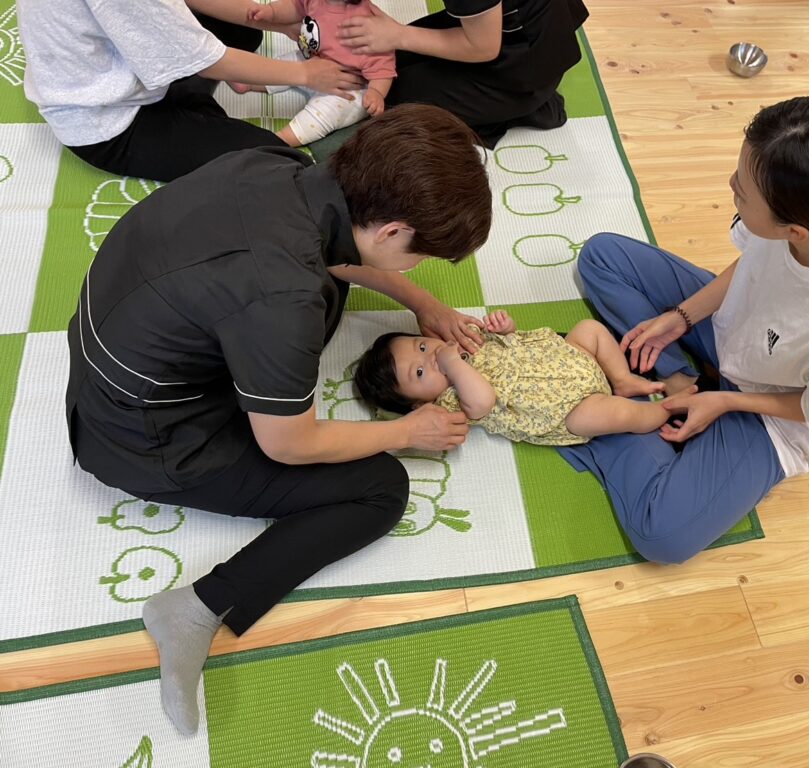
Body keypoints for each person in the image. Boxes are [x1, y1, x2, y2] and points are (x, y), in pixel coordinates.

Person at [64, 105, 491, 735]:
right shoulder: (284, 296)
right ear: (395, 230)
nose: (416, 268)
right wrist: (406, 432)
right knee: (380, 488)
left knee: (327, 290)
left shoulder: (273, 164)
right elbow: (291, 445)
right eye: (420, 257)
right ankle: (195, 608)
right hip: (142, 439)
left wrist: (422, 302)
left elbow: (336, 254)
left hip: (114, 352)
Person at [558, 95, 809, 565]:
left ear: (795, 231)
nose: (732, 184)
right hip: (733, 329)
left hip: (765, 411)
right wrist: (682, 316)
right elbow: (753, 263)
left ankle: (625, 412)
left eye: (742, 191)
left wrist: (727, 402)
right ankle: (677, 381)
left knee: (662, 536)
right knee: (603, 256)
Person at [15, 0, 363, 181]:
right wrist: (305, 73)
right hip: (105, 121)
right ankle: (213, 109)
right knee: (275, 160)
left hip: (123, 66)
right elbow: (206, 59)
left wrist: (279, 20)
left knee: (245, 31)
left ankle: (218, 98)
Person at [354, 311, 668, 446]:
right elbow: (484, 400)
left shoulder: (465, 341)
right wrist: (452, 364)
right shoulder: (450, 401)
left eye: (422, 346)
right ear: (418, 404)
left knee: (589, 329)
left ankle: (622, 378)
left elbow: (513, 343)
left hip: (568, 357)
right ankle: (667, 410)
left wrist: (505, 328)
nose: (430, 358)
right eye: (420, 372)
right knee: (621, 415)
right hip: (568, 408)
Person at [337, 0, 589, 147]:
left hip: (524, 60)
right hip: (510, 24)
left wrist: (397, 34)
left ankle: (525, 103)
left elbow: (484, 47)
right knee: (389, 61)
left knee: (393, 103)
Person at [230, 0, 396, 146]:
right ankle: (249, 81)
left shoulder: (368, 22)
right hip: (312, 61)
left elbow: (383, 63)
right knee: (285, 64)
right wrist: (271, 11)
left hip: (348, 85)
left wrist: (376, 91)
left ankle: (283, 138)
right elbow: (295, 6)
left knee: (328, 112)